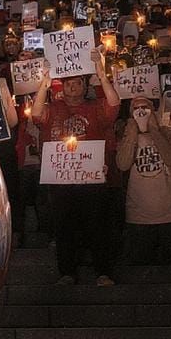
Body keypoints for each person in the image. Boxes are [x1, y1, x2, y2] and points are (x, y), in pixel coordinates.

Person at [32, 47, 120, 286]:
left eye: (78, 83)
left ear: (85, 86)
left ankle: (103, 272)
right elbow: (36, 114)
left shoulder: (95, 108)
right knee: (64, 228)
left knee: (97, 226)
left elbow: (114, 105)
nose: (72, 86)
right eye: (68, 83)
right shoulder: (53, 109)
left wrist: (101, 74)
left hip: (91, 177)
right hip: (61, 179)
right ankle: (67, 272)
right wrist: (44, 84)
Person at [117, 96, 171, 264]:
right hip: (138, 216)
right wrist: (133, 133)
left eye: (145, 107)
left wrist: (154, 129)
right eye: (136, 108)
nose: (141, 111)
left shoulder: (167, 132)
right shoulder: (125, 134)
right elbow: (123, 165)